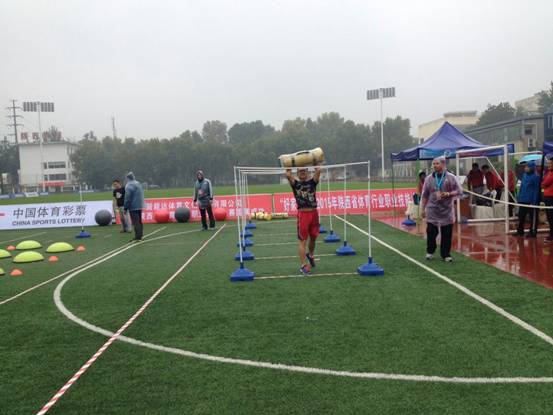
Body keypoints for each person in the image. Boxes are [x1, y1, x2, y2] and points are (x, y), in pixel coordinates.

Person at [421, 156, 463, 262]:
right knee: (431, 232)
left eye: (437, 163)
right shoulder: (429, 179)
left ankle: (445, 254)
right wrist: (422, 209)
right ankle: (430, 251)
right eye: (434, 164)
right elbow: (425, 195)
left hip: (447, 210)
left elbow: (459, 191)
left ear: (443, 164)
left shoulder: (451, 177)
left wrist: (449, 194)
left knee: (446, 234)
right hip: (432, 209)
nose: (434, 166)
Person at [286, 166, 321, 275]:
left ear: (307, 172)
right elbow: (288, 175)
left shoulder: (312, 183)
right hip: (303, 215)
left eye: (304, 171)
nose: (302, 172)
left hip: (314, 213)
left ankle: (310, 255)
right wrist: (289, 166)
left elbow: (318, 171)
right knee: (303, 240)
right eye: (300, 171)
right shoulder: (295, 184)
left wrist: (315, 163)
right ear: (297, 173)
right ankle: (303, 266)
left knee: (314, 237)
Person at [515, 161, 540, 237]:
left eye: (527, 167)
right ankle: (520, 231)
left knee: (533, 217)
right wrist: (519, 196)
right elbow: (521, 187)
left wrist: (534, 201)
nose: (525, 168)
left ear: (532, 168)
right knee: (521, 216)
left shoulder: (536, 177)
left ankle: (532, 232)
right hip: (523, 200)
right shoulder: (524, 175)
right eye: (525, 167)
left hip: (531, 201)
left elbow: (536, 190)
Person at [123, 172, 145, 241]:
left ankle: (137, 237)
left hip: (133, 206)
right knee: (139, 221)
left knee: (136, 222)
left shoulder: (128, 185)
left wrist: (125, 208)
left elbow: (127, 198)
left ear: (127, 178)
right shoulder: (138, 183)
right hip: (140, 205)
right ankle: (140, 234)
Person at [541, 155, 553, 243]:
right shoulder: (549, 172)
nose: (548, 165)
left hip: (551, 197)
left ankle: (552, 235)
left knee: (551, 217)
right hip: (547, 197)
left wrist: (543, 184)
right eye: (548, 163)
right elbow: (543, 181)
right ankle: (551, 233)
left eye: (550, 163)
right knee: (549, 217)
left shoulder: (551, 173)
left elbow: (545, 183)